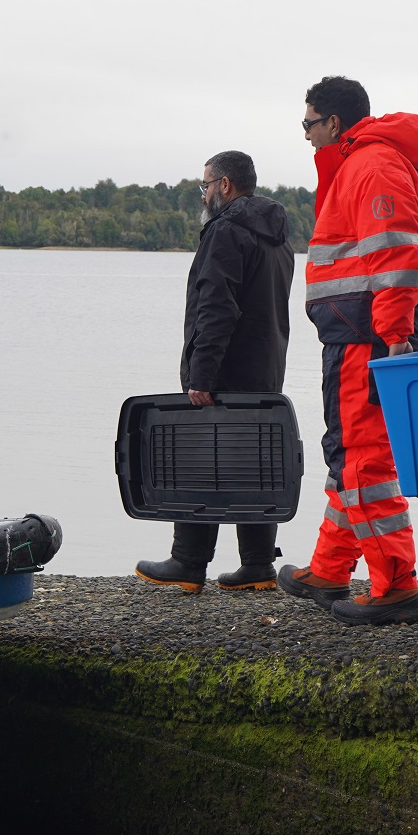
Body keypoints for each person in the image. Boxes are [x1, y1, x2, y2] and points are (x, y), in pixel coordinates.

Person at [277, 76, 418, 626]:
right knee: (349, 451)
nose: (305, 136)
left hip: (368, 334)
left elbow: (398, 256)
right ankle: (330, 566)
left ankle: (395, 585)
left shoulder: (371, 165)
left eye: (308, 124)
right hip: (355, 331)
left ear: (335, 123)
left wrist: (395, 336)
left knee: (364, 457)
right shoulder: (360, 165)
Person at [135, 151, 294, 592]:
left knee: (197, 456)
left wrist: (201, 374)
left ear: (224, 185)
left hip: (225, 367)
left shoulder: (225, 231)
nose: (202, 194)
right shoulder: (278, 235)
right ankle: (258, 566)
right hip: (266, 367)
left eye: (204, 185)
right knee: (254, 459)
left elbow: (216, 305)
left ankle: (187, 563)